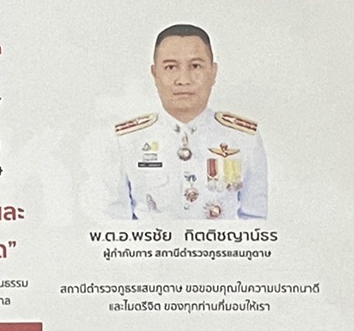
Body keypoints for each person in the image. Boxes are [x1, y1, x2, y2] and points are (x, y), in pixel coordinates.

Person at [109, 25, 269, 224]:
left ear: (213, 72)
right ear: (155, 73)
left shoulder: (244, 139)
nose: (183, 80)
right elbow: (115, 227)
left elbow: (256, 225)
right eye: (170, 67)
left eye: (195, 66)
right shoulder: (127, 140)